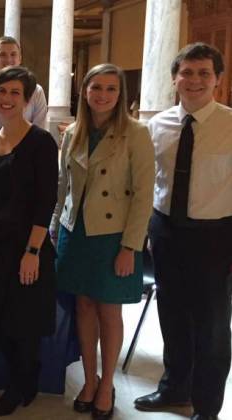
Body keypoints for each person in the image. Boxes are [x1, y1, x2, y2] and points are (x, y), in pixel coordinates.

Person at [134, 42, 232, 420]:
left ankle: (207, 408)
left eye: (203, 73)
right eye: (187, 73)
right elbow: (150, 183)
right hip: (166, 231)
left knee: (212, 327)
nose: (194, 80)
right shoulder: (158, 126)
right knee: (171, 315)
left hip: (216, 235)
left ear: (217, 80)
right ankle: (175, 389)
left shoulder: (229, 124)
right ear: (175, 79)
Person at [50, 63, 155, 420]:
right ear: (85, 91)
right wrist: (53, 228)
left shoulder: (136, 134)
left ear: (121, 94)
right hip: (74, 232)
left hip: (113, 237)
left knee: (109, 310)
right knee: (83, 307)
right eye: (96, 87)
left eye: (111, 89)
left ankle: (107, 383)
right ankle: (89, 380)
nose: (103, 95)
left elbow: (144, 196)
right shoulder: (73, 132)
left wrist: (131, 246)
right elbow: (63, 188)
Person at [0, 66, 59, 417]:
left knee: (21, 322)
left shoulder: (41, 143)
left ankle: (18, 385)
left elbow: (46, 201)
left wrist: (33, 251)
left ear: (28, 99)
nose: (6, 99)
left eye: (15, 93)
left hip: (25, 247)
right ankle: (26, 372)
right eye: (2, 92)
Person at [0, 36, 48, 159]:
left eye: (13, 54)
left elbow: (38, 130)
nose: (8, 60)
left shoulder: (36, 92)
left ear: (20, 58)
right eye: (3, 55)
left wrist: (18, 162)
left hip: (25, 162)